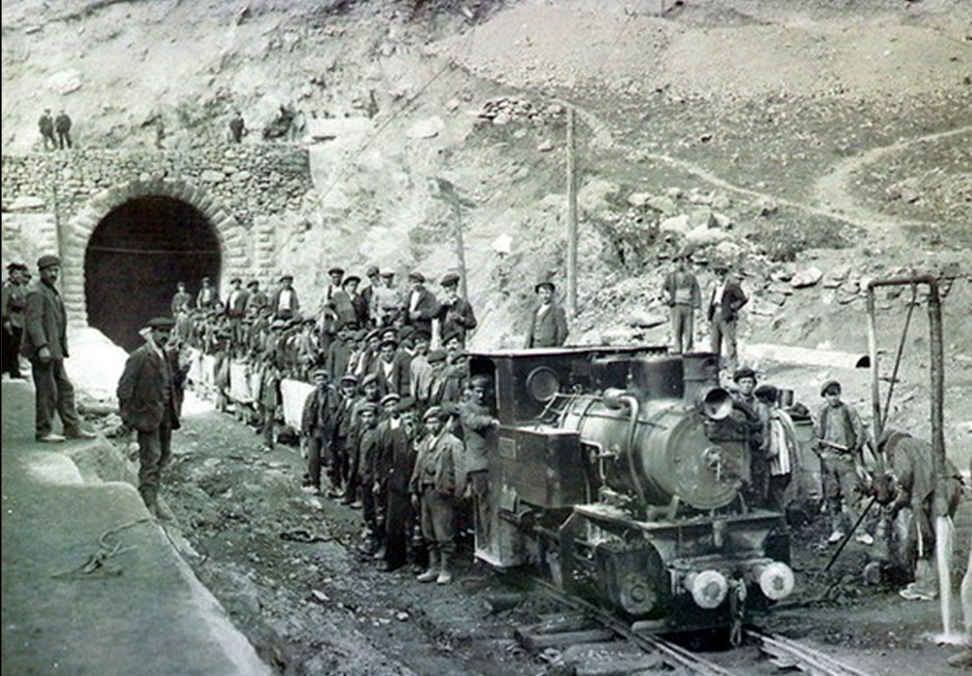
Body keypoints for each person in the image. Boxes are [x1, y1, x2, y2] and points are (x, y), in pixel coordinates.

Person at [870, 429, 962, 602]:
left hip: (933, 493)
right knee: (938, 537)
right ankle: (938, 581)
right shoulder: (919, 443)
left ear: (887, 444)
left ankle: (926, 587)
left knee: (922, 538)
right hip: (951, 486)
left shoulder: (899, 447)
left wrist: (895, 502)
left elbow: (906, 477)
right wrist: (899, 502)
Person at [117, 317, 186, 517]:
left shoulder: (166, 354)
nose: (165, 336)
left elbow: (171, 384)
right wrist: (127, 418)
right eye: (161, 332)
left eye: (168, 332)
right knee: (151, 459)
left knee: (164, 456)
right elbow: (124, 389)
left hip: (165, 415)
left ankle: (150, 496)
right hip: (147, 416)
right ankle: (149, 507)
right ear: (152, 332)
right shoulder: (140, 356)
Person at [21, 255, 95, 442]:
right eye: (49, 270)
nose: (53, 274)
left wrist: (57, 348)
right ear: (41, 271)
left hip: (55, 351)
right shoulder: (36, 292)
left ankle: (72, 428)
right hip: (44, 351)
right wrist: (42, 346)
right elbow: (33, 322)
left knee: (65, 389)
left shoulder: (50, 290)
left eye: (56, 270)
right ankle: (44, 431)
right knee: (47, 391)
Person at [812, 380, 870, 545]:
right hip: (829, 461)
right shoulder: (822, 413)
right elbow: (815, 437)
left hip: (846, 459)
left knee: (854, 496)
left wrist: (852, 452)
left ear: (840, 394)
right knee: (832, 497)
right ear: (825, 397)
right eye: (830, 395)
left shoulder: (849, 411)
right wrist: (821, 452)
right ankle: (837, 530)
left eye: (836, 394)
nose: (833, 398)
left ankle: (860, 531)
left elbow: (860, 433)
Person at [410, 405, 462, 584]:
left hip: (442, 493)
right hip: (425, 491)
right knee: (428, 532)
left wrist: (457, 494)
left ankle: (446, 570)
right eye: (429, 422)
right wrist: (414, 490)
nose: (432, 426)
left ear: (442, 422)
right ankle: (434, 567)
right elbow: (417, 467)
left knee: (444, 534)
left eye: (435, 421)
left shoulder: (453, 443)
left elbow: (460, 471)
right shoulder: (425, 442)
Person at [459, 374, 501, 555]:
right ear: (470, 391)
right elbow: (473, 422)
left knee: (493, 502)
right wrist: (491, 421)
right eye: (477, 391)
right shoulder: (466, 409)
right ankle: (485, 541)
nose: (480, 395)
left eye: (483, 391)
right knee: (483, 503)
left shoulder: (487, 407)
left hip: (493, 461)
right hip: (478, 463)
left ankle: (493, 537)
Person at [754, 384, 798, 512]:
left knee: (775, 500)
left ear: (764, 401)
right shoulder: (784, 416)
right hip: (787, 465)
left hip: (776, 467)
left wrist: (758, 457)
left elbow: (773, 449)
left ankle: (782, 527)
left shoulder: (773, 419)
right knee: (779, 498)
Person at [732, 367, 770, 507]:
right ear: (738, 384)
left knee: (757, 480)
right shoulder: (730, 404)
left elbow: (765, 427)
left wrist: (764, 444)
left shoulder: (760, 406)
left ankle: (756, 508)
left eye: (750, 382)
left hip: (754, 449)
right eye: (743, 382)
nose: (747, 385)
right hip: (735, 449)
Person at [300, 368, 337, 496]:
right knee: (313, 458)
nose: (321, 382)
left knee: (331, 460)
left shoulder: (333, 395)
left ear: (327, 381)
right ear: (315, 381)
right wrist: (305, 432)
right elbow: (305, 414)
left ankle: (334, 486)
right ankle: (315, 484)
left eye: (323, 379)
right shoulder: (311, 396)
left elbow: (337, 414)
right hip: (314, 430)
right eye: (318, 379)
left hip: (328, 432)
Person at [706, 263, 747, 373]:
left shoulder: (731, 286)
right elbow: (713, 301)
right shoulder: (716, 286)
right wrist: (710, 315)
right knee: (714, 342)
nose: (720, 277)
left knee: (730, 343)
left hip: (726, 316)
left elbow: (742, 299)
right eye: (718, 274)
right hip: (715, 314)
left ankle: (732, 368)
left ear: (726, 275)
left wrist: (733, 307)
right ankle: (715, 367)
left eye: (722, 274)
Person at [662, 251, 701, 354]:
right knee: (677, 329)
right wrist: (667, 298)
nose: (679, 264)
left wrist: (697, 306)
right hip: (676, 306)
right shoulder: (670, 277)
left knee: (689, 330)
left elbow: (696, 290)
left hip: (688, 306)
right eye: (677, 262)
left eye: (681, 262)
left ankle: (689, 350)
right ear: (674, 264)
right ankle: (677, 350)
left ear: (684, 263)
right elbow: (664, 289)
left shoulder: (691, 276)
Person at [435, 273, 477, 348]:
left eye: (451, 285)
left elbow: (473, 323)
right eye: (446, 287)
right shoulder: (440, 303)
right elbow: (433, 315)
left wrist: (461, 319)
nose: (449, 289)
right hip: (444, 341)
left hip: (459, 341)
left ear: (456, 286)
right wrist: (441, 306)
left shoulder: (464, 304)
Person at [2, 262, 28, 379]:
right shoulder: (7, 287)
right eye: (15, 273)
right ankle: (12, 371)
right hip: (12, 321)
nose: (18, 276)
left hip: (20, 321)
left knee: (17, 347)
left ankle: (14, 369)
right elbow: (3, 305)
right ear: (11, 275)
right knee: (10, 347)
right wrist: (5, 320)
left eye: (19, 273)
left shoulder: (21, 288)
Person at [525, 280, 568, 348]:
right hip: (535, 347)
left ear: (552, 294)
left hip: (550, 348)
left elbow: (563, 331)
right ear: (538, 295)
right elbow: (530, 332)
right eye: (541, 293)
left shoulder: (557, 310)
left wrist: (557, 347)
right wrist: (527, 347)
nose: (544, 296)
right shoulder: (535, 311)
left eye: (547, 293)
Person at [404, 272, 439, 339]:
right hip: (410, 327)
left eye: (417, 282)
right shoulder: (409, 295)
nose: (415, 285)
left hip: (423, 327)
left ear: (421, 283)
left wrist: (420, 313)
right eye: (413, 282)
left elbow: (433, 311)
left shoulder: (429, 296)